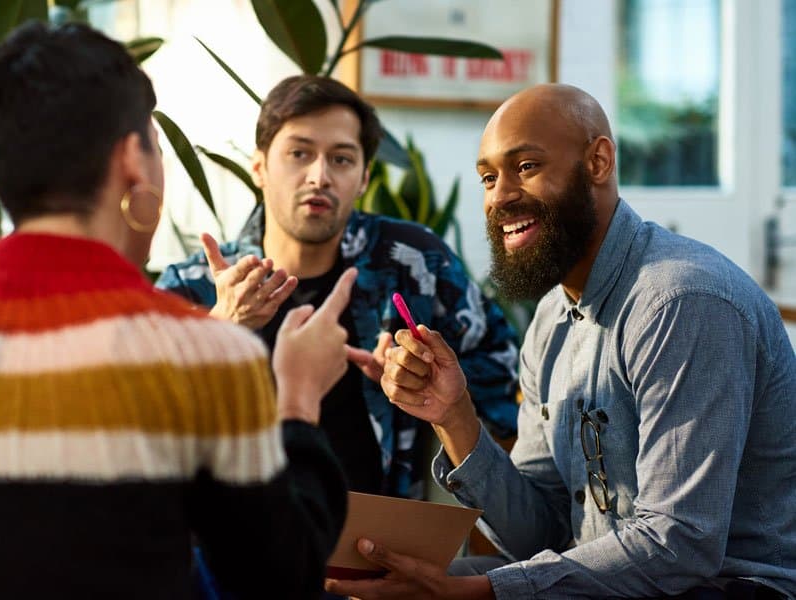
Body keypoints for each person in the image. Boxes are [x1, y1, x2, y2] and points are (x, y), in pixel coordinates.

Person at [0, 22, 354, 600]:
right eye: (155, 143)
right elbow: (278, 583)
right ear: (131, 161)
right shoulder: (205, 355)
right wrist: (297, 397)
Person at [326, 83, 796, 599]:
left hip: (728, 586)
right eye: (488, 177)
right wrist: (453, 415)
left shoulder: (682, 302)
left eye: (526, 167)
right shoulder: (550, 321)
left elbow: (679, 544)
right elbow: (541, 536)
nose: (501, 196)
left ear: (597, 162)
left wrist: (477, 592)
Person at [157, 74, 520, 499]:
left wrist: (425, 379)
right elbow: (129, 427)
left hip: (380, 545)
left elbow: (506, 371)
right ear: (259, 167)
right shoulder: (195, 287)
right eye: (299, 153)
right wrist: (219, 328)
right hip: (235, 547)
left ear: (364, 178)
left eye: (342, 159)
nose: (319, 176)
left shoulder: (412, 262)